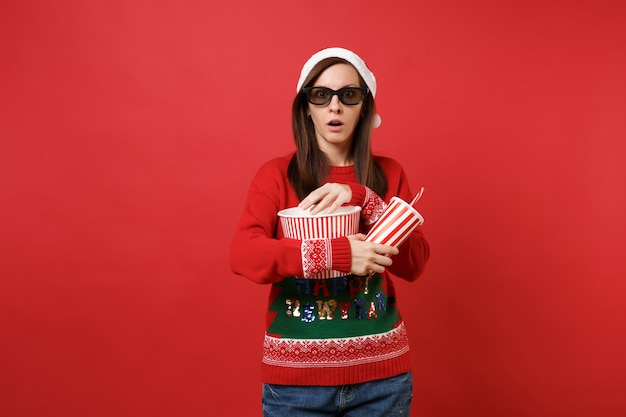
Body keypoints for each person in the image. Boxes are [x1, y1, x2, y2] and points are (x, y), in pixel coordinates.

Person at [230, 47, 430, 416]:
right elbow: (244, 254)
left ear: (364, 107)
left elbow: (415, 264)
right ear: (306, 106)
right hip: (295, 385)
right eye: (321, 95)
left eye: (348, 95)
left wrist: (364, 197)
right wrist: (336, 254)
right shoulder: (276, 175)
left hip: (382, 380)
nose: (334, 107)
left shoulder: (390, 174)